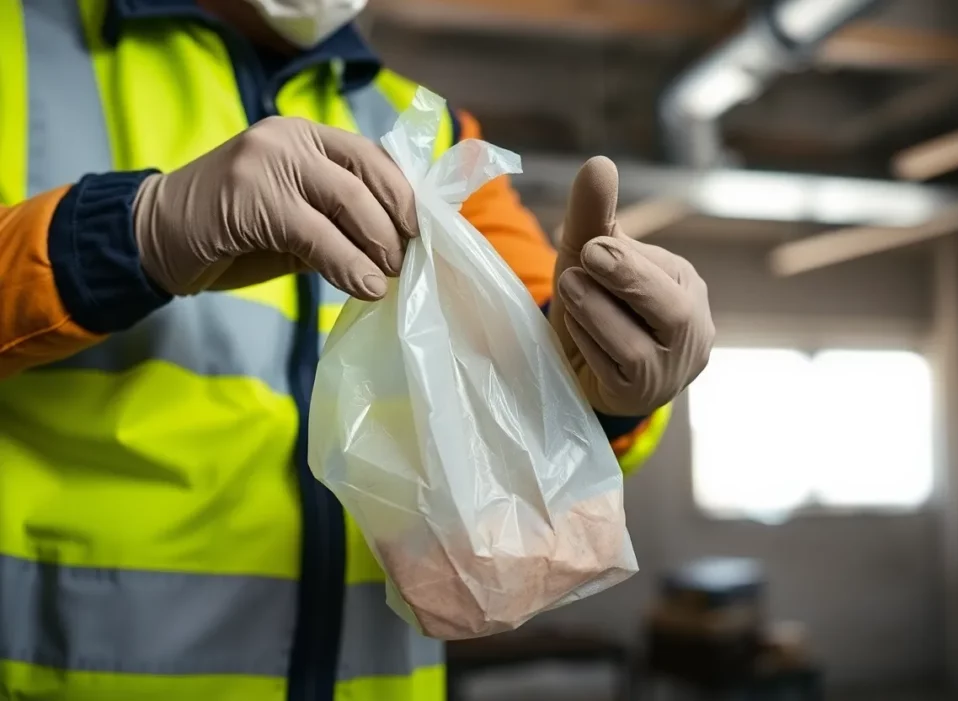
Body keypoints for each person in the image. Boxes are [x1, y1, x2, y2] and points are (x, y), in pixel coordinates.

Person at [0, 0, 715, 699]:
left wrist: (599, 392)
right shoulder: (20, 46)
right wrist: (130, 233)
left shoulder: (425, 130)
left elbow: (536, 404)